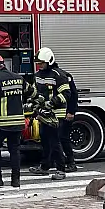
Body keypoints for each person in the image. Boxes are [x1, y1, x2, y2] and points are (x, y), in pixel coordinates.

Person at [0, 54, 32, 188]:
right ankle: (16, 180)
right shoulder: (19, 78)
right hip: (17, 123)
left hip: (0, 124)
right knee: (15, 150)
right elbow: (32, 92)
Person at [30, 48, 71, 179]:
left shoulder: (58, 75)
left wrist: (52, 103)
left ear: (49, 61)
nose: (40, 65)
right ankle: (45, 166)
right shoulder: (37, 75)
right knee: (44, 140)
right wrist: (33, 103)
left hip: (56, 114)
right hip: (43, 114)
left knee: (55, 141)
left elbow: (66, 94)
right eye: (38, 63)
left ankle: (61, 169)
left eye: (42, 63)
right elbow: (35, 92)